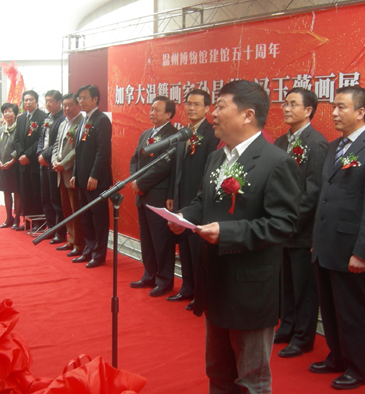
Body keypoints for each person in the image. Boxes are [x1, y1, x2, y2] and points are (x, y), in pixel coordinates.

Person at [168, 80, 300, 393]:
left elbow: (283, 224)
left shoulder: (276, 162)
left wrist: (227, 233)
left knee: (251, 380)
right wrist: (183, 217)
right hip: (215, 281)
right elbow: (204, 202)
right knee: (218, 372)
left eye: (221, 107)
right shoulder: (216, 157)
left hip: (250, 288)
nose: (213, 114)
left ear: (247, 115)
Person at [310, 86, 365, 390]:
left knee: (352, 311)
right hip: (325, 244)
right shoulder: (333, 147)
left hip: (350, 249)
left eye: (341, 107)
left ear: (360, 112)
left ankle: (358, 368)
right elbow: (325, 197)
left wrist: (362, 251)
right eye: (333, 106)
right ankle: (337, 356)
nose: (334, 113)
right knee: (330, 307)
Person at [273, 87, 328, 357]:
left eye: (293, 104)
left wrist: (290, 222)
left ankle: (304, 337)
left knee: (304, 287)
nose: (286, 108)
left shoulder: (316, 143)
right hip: (280, 227)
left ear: (308, 111)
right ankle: (287, 326)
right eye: (285, 103)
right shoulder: (280, 141)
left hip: (301, 230)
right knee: (285, 284)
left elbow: (313, 192)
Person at [166, 89, 219, 310]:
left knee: (197, 250)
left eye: (197, 104)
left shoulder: (211, 134)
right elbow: (176, 168)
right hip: (180, 199)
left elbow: (209, 172)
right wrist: (172, 194)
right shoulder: (184, 133)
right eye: (188, 103)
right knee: (184, 248)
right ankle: (187, 288)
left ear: (207, 108)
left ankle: (200, 293)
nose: (191, 108)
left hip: (198, 202)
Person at [129, 96, 178, 297]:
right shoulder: (146, 133)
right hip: (141, 194)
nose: (152, 113)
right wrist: (134, 179)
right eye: (151, 109)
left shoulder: (173, 135)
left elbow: (164, 167)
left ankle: (164, 280)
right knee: (147, 239)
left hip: (158, 195)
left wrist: (141, 183)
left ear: (169, 114)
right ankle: (149, 275)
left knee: (161, 240)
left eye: (157, 110)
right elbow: (134, 159)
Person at [70, 85, 112, 269]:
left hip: (96, 180)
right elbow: (78, 151)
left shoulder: (101, 120)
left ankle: (99, 254)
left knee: (99, 219)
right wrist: (74, 174)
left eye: (84, 97)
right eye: (79, 98)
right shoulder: (83, 120)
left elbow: (103, 152)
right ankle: (89, 249)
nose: (81, 101)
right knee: (85, 218)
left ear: (95, 99)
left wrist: (94, 175)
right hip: (81, 179)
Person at [52, 93, 85, 257]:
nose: (66, 108)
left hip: (72, 172)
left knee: (75, 210)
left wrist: (63, 164)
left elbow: (77, 150)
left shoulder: (82, 123)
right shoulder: (63, 123)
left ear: (78, 105)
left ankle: (79, 243)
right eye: (64, 105)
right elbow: (56, 145)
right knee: (66, 209)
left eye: (70, 105)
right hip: (60, 172)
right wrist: (54, 160)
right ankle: (71, 239)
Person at [14, 90, 47, 231]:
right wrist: (21, 154)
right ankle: (27, 222)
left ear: (36, 101)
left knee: (36, 193)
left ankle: (38, 223)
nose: (28, 102)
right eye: (26, 100)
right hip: (23, 163)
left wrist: (27, 155)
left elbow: (40, 139)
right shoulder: (21, 118)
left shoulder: (43, 117)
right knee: (25, 193)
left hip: (34, 162)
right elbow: (17, 139)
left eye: (31, 100)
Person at [37, 90, 67, 245]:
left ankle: (60, 232)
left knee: (56, 199)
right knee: (45, 198)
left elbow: (57, 142)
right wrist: (39, 153)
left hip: (53, 163)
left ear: (58, 102)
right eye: (46, 101)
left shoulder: (62, 119)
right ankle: (50, 228)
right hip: (43, 162)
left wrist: (45, 155)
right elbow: (41, 139)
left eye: (51, 101)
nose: (48, 104)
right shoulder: (47, 118)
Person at [0, 103, 21, 228]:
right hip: (3, 166)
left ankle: (17, 219)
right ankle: (9, 217)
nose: (7, 114)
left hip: (15, 166)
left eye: (10, 111)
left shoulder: (19, 129)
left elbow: (20, 147)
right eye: (5, 112)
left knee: (17, 193)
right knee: (6, 192)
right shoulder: (1, 130)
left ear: (15, 114)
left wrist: (12, 161)